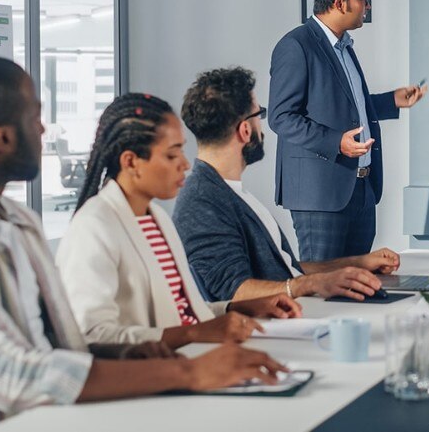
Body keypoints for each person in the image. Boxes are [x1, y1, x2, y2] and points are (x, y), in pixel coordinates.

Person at [0, 57, 286, 428]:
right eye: (34, 117)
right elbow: (12, 378)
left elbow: (68, 342)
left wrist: (136, 354)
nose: (43, 128)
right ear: (2, 139)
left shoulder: (14, 220)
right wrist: (188, 373)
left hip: (57, 414)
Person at [56, 93, 302, 350]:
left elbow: (181, 313)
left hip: (187, 358)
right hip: (155, 374)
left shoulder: (156, 218)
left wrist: (239, 308)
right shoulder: (94, 227)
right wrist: (193, 335)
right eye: (172, 156)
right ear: (131, 162)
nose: (185, 164)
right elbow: (92, 336)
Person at [175, 67, 402, 302]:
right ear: (244, 130)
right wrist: (314, 284)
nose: (262, 127)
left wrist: (358, 263)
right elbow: (233, 291)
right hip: (276, 328)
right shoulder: (202, 201)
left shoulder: (228, 192)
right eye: (259, 115)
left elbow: (286, 268)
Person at [269, 0, 426, 263]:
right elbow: (281, 117)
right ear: (340, 3)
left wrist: (391, 101)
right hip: (320, 197)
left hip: (360, 189)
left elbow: (350, 108)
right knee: (324, 289)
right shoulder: (296, 46)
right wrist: (335, 142)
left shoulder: (344, 46)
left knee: (356, 286)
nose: (366, 6)